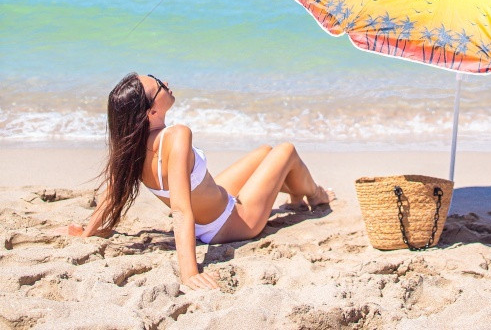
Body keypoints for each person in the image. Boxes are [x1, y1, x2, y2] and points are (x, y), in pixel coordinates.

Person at [62, 73, 333, 291]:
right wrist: (189, 272)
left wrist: (88, 233)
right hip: (233, 222)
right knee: (285, 150)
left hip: (210, 210)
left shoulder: (130, 147)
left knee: (264, 152)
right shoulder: (176, 136)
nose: (166, 83)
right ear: (152, 112)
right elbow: (180, 209)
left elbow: (112, 195)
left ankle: (296, 194)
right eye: (158, 85)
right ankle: (316, 195)